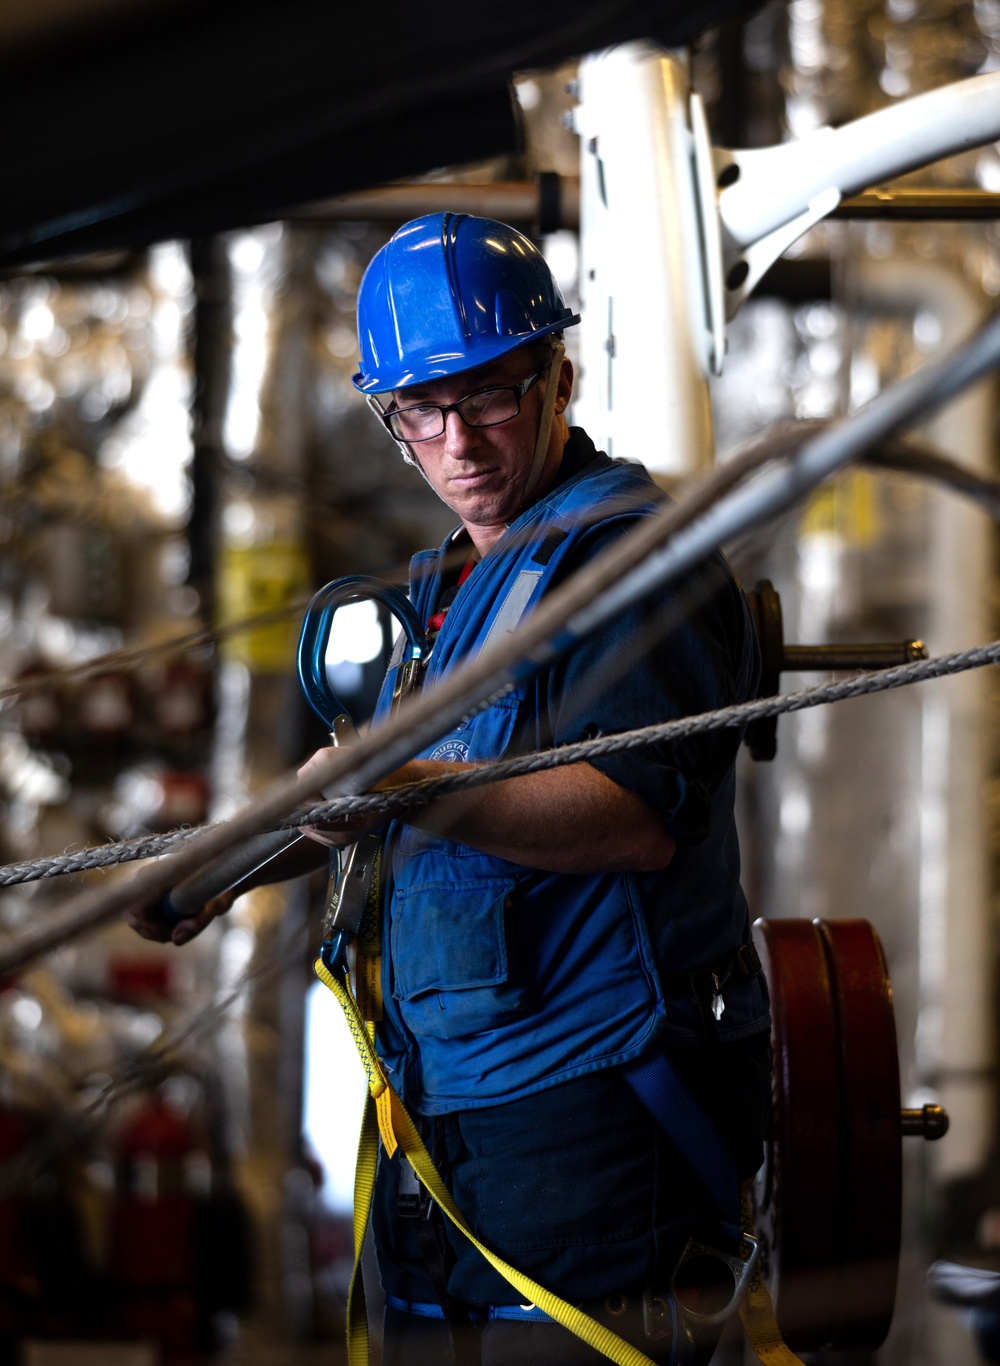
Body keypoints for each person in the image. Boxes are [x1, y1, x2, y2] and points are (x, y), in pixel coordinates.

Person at [130, 213, 771, 1366]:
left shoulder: (627, 563)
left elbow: (628, 820)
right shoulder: (455, 585)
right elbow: (371, 806)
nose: (456, 441)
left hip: (591, 1121)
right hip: (448, 1114)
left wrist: (409, 788)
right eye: (419, 412)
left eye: (485, 397)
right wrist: (216, 872)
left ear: (557, 379)